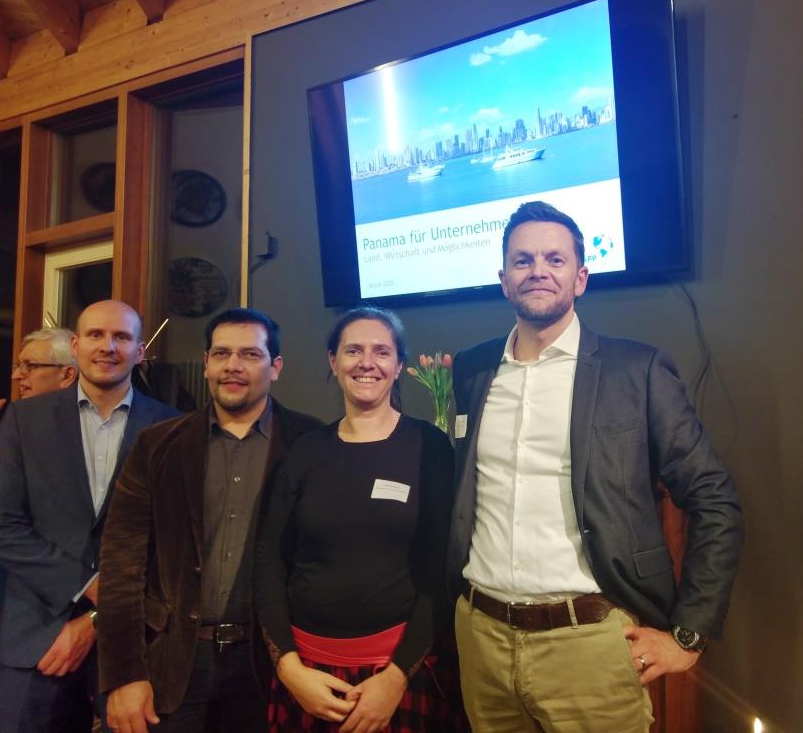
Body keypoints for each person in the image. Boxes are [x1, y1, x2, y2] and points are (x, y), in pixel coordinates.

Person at [449, 201, 743, 732]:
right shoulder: (472, 369)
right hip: (482, 639)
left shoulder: (637, 370)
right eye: (522, 260)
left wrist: (689, 636)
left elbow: (713, 497)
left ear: (580, 278)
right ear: (503, 279)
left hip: (589, 644)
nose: (538, 270)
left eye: (555, 259)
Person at [97, 307, 322, 733]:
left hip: (271, 664)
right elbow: (121, 565)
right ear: (205, 364)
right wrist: (125, 674)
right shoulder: (157, 445)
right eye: (221, 354)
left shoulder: (312, 443)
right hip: (172, 661)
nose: (233, 366)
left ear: (275, 367)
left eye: (250, 355)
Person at [254, 306, 466, 733]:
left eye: (381, 352)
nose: (367, 362)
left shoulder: (430, 447)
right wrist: (290, 670)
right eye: (353, 350)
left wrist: (395, 677)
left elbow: (441, 572)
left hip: (401, 673)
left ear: (399, 366)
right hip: (308, 676)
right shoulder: (305, 450)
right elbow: (269, 564)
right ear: (333, 361)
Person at [0, 302, 179, 733]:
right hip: (34, 635)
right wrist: (87, 586)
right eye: (95, 335)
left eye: (121, 337)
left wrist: (95, 619)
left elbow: (172, 543)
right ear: (75, 346)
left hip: (133, 644)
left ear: (140, 351)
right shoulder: (24, 420)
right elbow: (0, 526)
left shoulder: (171, 429)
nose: (108, 347)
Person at [0, 329, 79, 733]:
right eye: (19, 365)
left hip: (43, 611)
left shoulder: (80, 436)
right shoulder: (6, 427)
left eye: (30, 366)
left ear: (67, 374)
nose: (18, 375)